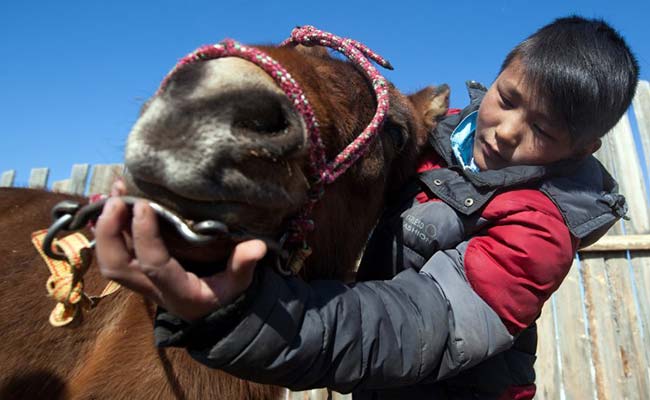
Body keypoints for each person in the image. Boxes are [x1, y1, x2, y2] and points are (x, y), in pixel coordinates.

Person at [95, 16, 639, 399]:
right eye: (508, 98)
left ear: (582, 150)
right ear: (494, 78)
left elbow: (428, 324)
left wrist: (243, 320)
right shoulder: (440, 141)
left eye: (543, 129)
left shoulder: (538, 229)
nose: (508, 130)